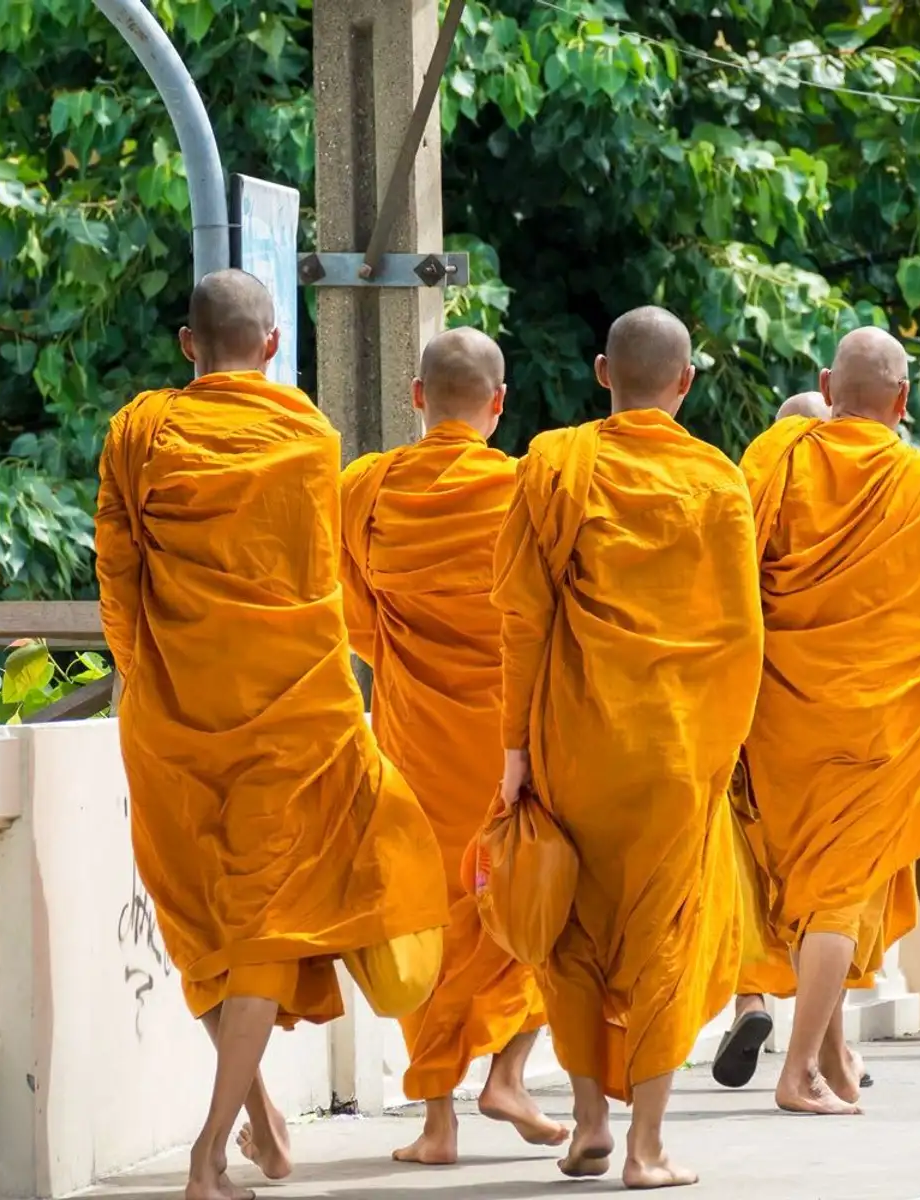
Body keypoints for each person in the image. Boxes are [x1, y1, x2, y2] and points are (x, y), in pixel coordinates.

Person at [95, 270, 449, 1200]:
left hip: (174, 720)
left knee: (211, 924)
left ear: (188, 344)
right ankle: (238, 1133)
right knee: (252, 922)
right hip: (295, 714)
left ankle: (231, 1135)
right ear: (274, 345)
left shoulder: (141, 433)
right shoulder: (309, 435)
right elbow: (318, 580)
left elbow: (119, 573)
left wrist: (151, 683)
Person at [495, 306, 761, 1186]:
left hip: (578, 739)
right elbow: (742, 636)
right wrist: (723, 752)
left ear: (604, 372)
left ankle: (586, 1126)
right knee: (665, 936)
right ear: (684, 382)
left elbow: (522, 617)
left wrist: (514, 748)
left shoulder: (555, 464)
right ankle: (647, 1149)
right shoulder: (720, 483)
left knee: (571, 932)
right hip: (680, 752)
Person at [738, 326, 920, 1115]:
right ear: (905, 400)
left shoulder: (773, 458)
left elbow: (731, 580)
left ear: (825, 382)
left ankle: (833, 1057)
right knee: (837, 891)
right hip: (877, 724)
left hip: (780, 715)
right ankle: (797, 1073)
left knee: (803, 883)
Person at [340, 327, 563, 1165]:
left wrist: (405, 652)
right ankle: (508, 1072)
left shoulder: (366, 489)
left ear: (417, 396)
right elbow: (552, 617)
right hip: (516, 742)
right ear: (499, 404)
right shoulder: (526, 491)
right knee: (534, 903)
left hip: (414, 740)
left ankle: (437, 1124)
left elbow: (352, 611)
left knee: (427, 914)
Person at [714, 389, 873, 1091]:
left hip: (752, 714)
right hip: (843, 721)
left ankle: (759, 1005)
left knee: (760, 875)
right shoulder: (881, 494)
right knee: (825, 890)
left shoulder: (748, 483)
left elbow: (716, 595)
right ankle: (817, 1058)